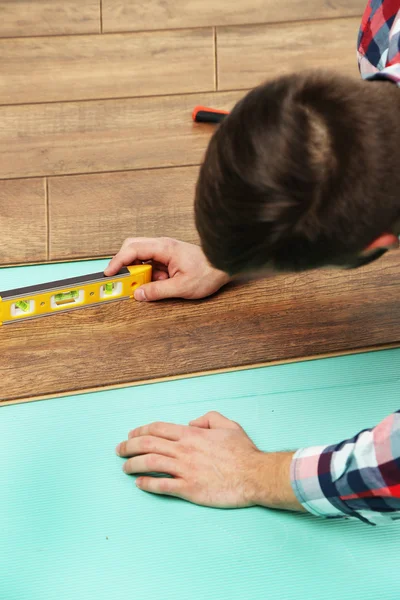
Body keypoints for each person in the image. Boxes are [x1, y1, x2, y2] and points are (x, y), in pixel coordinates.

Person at [110, 0, 400, 525]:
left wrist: (255, 473)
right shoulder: (386, 27)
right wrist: (238, 251)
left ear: (377, 241)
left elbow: (393, 470)